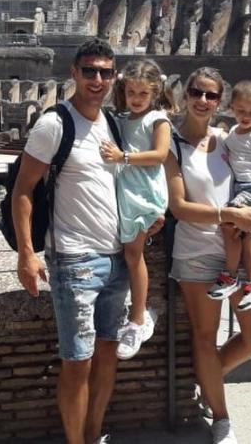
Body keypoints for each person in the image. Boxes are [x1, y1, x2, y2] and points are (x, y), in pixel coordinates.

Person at [12, 39, 163, 444]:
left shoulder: (112, 124)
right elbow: (22, 190)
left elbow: (132, 181)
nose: (97, 79)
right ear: (74, 74)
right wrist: (27, 254)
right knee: (77, 364)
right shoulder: (54, 124)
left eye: (105, 72)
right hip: (74, 262)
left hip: (117, 260)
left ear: (113, 78)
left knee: (107, 358)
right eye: (90, 71)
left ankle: (94, 435)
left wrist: (151, 215)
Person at [164, 67, 251, 444]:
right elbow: (178, 207)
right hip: (196, 252)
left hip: (238, 250)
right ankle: (221, 418)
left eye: (211, 95)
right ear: (185, 95)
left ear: (221, 101)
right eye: (197, 92)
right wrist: (230, 214)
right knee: (204, 337)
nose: (203, 101)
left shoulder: (227, 140)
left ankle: (206, 376)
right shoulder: (172, 146)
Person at [99, 59, 173, 360]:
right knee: (125, 253)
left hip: (144, 194)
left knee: (133, 255)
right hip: (126, 193)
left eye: (143, 93)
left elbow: (159, 155)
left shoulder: (159, 119)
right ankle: (134, 309)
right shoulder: (122, 118)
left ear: (155, 93)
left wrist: (123, 157)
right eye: (131, 92)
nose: (137, 98)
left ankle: (139, 317)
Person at [207, 80, 251, 312]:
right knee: (245, 235)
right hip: (239, 187)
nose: (246, 116)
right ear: (232, 108)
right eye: (241, 111)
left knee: (229, 223)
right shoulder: (232, 134)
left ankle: (230, 275)